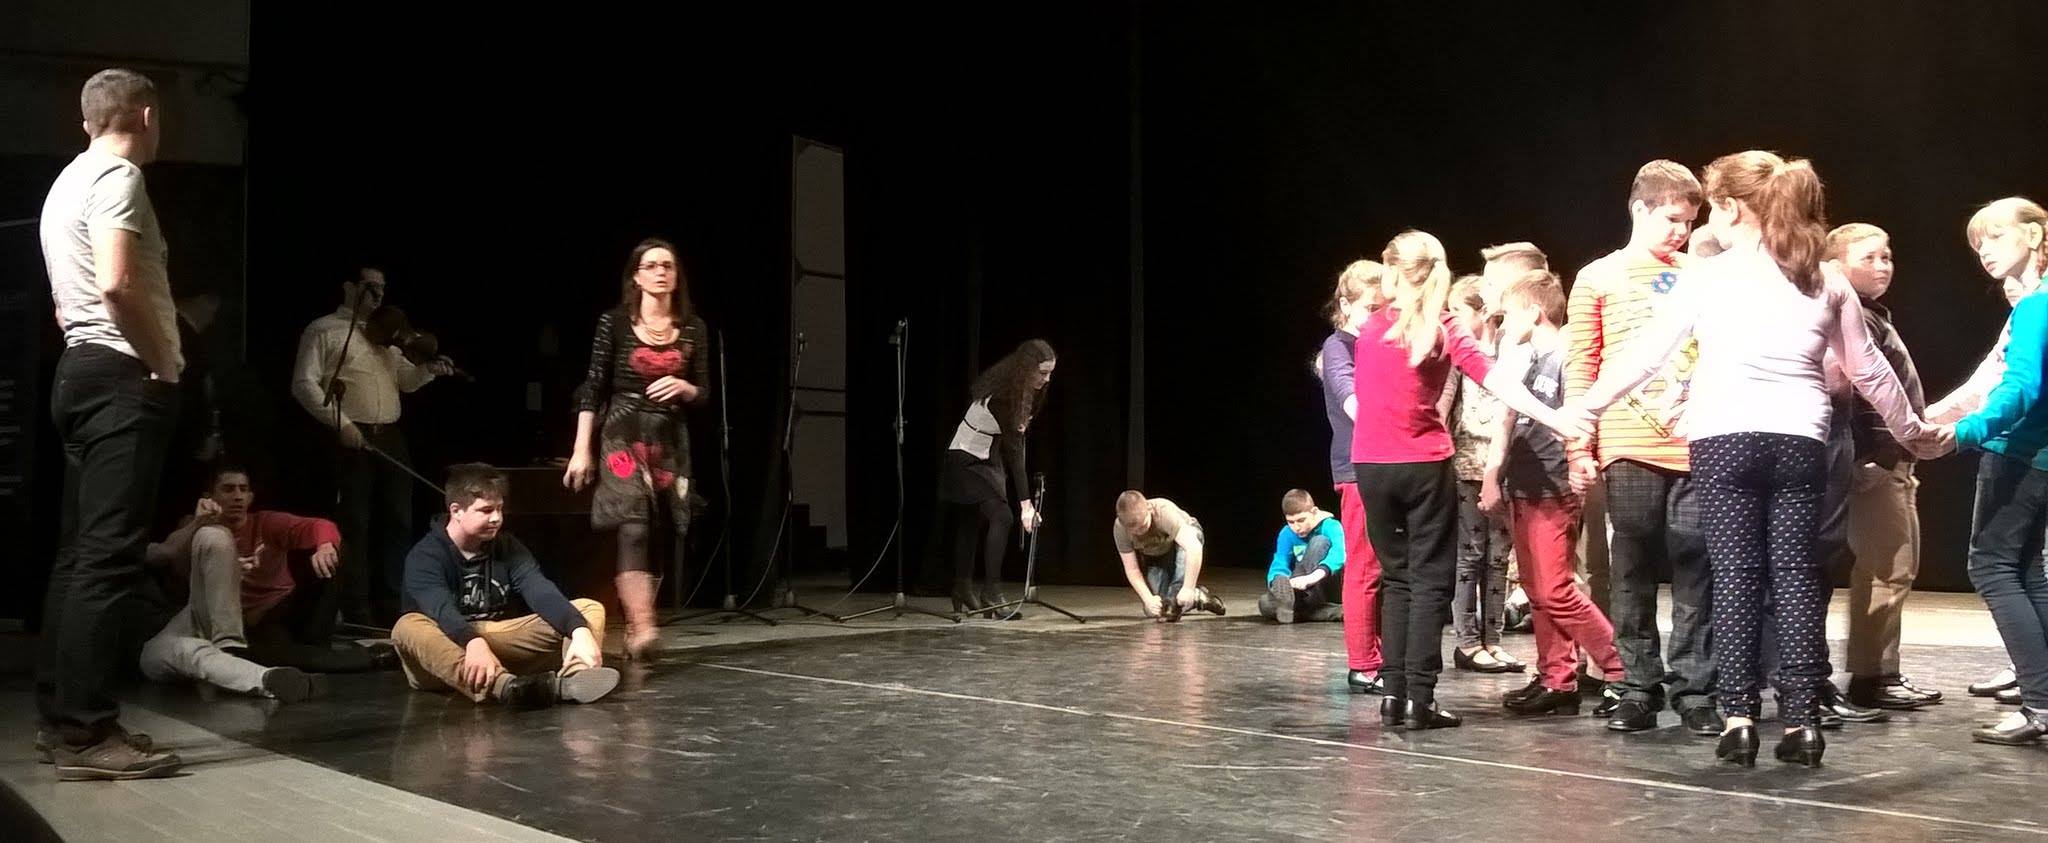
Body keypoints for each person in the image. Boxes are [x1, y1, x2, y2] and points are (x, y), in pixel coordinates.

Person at [1568, 150, 1933, 768]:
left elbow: (1647, 355)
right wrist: (1914, 432)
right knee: (1795, 577)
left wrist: (1585, 409)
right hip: (1800, 441)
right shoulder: (1824, 278)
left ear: (1731, 208)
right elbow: (1869, 368)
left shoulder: (1707, 277)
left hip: (1725, 441)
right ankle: (1802, 723)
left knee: (1736, 578)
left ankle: (1739, 720)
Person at [1349, 229, 1588, 731]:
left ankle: (1393, 696)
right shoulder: (1443, 326)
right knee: (1429, 582)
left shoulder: (1372, 327)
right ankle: (1419, 699)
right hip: (1421, 464)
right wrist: (1557, 419)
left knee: (1397, 579)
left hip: (1370, 465)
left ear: (1392, 270)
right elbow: (1497, 381)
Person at [36, 67, 186, 781]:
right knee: (107, 557)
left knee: (78, 555)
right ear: (147, 115)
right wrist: (162, 364)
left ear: (87, 119)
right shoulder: (119, 177)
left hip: (79, 368)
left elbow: (66, 300)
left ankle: (61, 718)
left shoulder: (66, 181)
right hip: (121, 375)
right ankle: (86, 732)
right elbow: (116, 282)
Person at [1561, 160, 1719, 736]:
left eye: (1689, 221)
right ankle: (1637, 685)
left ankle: (1696, 688)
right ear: (1639, 210)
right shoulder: (1598, 276)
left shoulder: (1704, 274)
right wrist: (1578, 446)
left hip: (1698, 441)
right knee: (1631, 564)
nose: (1681, 231)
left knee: (1696, 565)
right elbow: (1582, 364)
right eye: (1672, 219)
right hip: (1628, 442)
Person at [1924, 198, 2048, 745]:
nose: (1985, 252)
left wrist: (1967, 431)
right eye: (1979, 245)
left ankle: (2039, 703)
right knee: (2026, 569)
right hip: (2039, 457)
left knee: (1991, 566)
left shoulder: (2035, 308)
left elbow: (2019, 387)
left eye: (1996, 237)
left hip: (2018, 452)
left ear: (2035, 236)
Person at [1482, 270, 1626, 715]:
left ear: (1533, 312)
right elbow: (1510, 416)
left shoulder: (1567, 357)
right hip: (1525, 483)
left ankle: (1622, 670)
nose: (1504, 325)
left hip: (1554, 484)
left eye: (1509, 315)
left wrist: (1582, 463)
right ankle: (1557, 679)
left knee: (1555, 589)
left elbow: (1585, 418)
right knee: (1536, 589)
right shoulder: (1527, 360)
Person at [563, 238, 711, 659]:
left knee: (659, 525)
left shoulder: (693, 328)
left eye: (668, 265)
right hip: (623, 431)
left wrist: (685, 387)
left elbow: (704, 392)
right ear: (636, 277)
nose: (661, 272)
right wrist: (581, 448)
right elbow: (593, 386)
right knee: (634, 524)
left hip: (668, 436)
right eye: (652, 266)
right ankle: (644, 627)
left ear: (677, 276)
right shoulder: (614, 323)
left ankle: (635, 626)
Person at [1819, 224, 1942, 711]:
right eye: (1868, 258)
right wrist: (1874, 456)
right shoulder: (1855, 320)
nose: (1882, 266)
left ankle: (1880, 670)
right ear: (1836, 266)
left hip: (1893, 461)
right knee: (1886, 568)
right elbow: (1859, 394)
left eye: (1886, 257)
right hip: (1876, 465)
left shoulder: (1872, 317)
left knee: (1896, 567)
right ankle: (1873, 676)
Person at [138, 465, 391, 701]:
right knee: (257, 652)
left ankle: (359, 655)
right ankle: (250, 660)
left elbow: (320, 526)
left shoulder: (265, 523)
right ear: (209, 497)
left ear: (251, 497)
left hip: (274, 612)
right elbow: (165, 554)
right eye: (228, 489)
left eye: (243, 489)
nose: (237, 496)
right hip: (221, 618)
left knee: (335, 551)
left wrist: (325, 545)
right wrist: (199, 525)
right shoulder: (201, 531)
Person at [291, 265, 457, 625]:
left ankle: (392, 604)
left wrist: (428, 371)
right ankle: (357, 608)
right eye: (370, 286)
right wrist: (342, 424)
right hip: (352, 434)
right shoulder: (324, 330)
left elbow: (405, 381)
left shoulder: (386, 335)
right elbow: (304, 383)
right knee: (356, 522)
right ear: (349, 287)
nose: (379, 294)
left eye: (383, 287)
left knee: (398, 520)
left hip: (391, 435)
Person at [391, 464, 620, 707]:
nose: (497, 518)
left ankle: (574, 681)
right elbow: (441, 610)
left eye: (499, 509)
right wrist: (472, 642)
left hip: (493, 641)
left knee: (587, 610)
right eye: (486, 510)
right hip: (443, 653)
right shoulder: (426, 555)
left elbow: (539, 590)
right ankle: (508, 688)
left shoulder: (507, 546)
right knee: (406, 626)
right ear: (456, 511)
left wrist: (578, 630)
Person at [937, 340, 1054, 619]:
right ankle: (991, 591)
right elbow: (1014, 450)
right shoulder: (1003, 395)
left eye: (1050, 372)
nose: (1047, 379)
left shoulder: (1030, 390)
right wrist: (1026, 505)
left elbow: (1017, 440)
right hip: (964, 460)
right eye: (1042, 372)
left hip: (987, 458)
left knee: (970, 522)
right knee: (1002, 516)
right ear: (1026, 369)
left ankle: (962, 587)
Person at [1446, 275, 1523, 674]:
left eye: (1458, 311)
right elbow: (1446, 404)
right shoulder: (1459, 355)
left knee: (1498, 557)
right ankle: (1467, 641)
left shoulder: (1511, 350)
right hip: (1467, 463)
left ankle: (1494, 640)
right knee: (1471, 554)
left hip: (1506, 465)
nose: (1452, 319)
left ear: (1482, 312)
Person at [1317, 260, 1386, 693]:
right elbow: (1351, 400)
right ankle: (1363, 663)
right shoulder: (1338, 347)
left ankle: (1381, 655)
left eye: (1385, 308)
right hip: (1357, 467)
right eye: (1370, 308)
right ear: (1345, 305)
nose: (1379, 317)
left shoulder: (1376, 343)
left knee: (1385, 566)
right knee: (1364, 566)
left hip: (1385, 465)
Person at [1114, 492, 1226, 620]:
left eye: (1143, 526)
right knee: (1158, 609)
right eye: (1134, 531)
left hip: (1185, 543)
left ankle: (1184, 594)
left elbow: (1193, 548)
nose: (1140, 532)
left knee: (1173, 602)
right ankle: (1198, 596)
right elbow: (1132, 570)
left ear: (1149, 509)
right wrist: (1148, 599)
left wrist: (1188, 587)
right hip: (1158, 554)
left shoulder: (1163, 512)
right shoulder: (1120, 529)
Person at [1261, 489, 1346, 623]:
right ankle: (1332, 612)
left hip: (1326, 585)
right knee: (1264, 603)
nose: (1296, 527)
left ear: (1314, 512)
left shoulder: (1331, 526)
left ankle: (1299, 609)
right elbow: (1280, 562)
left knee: (1319, 541)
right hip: (1302, 591)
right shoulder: (1287, 533)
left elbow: (1339, 554)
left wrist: (1312, 577)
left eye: (1301, 520)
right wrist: (1277, 580)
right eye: (1291, 522)